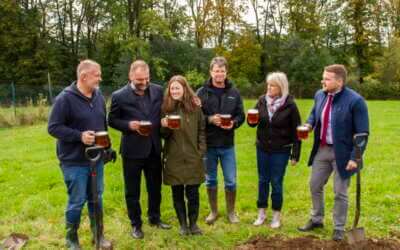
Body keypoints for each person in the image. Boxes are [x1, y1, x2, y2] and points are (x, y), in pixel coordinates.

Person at [298, 64, 369, 241]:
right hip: (322, 149)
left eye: (327, 79)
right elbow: (314, 115)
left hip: (343, 154)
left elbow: (362, 133)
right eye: (323, 77)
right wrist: (308, 125)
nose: (323, 81)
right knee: (314, 185)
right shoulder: (320, 95)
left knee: (340, 192)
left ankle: (339, 227)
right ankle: (316, 219)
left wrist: (355, 157)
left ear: (339, 81)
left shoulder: (355, 101)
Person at [48, 59, 111, 250]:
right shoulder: (64, 99)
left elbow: (103, 123)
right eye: (97, 75)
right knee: (76, 201)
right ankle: (71, 239)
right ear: (84, 76)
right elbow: (53, 128)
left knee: (97, 198)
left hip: (96, 159)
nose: (100, 78)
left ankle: (98, 236)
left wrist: (107, 147)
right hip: (74, 161)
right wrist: (79, 136)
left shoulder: (98, 96)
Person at [108, 60, 171, 239]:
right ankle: (136, 225)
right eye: (139, 80)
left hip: (153, 148)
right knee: (132, 191)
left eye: (146, 79)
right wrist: (129, 125)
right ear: (130, 76)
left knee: (155, 188)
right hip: (132, 151)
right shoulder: (119, 96)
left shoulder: (158, 90)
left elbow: (170, 105)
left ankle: (155, 218)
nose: (143, 83)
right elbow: (111, 120)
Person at [248, 72, 301, 229]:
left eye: (272, 85)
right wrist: (250, 119)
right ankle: (261, 213)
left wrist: (295, 154)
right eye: (268, 85)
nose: (268, 88)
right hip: (262, 148)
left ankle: (276, 215)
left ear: (281, 87)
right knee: (263, 180)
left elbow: (297, 131)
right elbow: (252, 123)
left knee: (276, 182)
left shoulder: (290, 105)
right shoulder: (261, 101)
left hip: (281, 150)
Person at [197, 56, 245, 224]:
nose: (219, 74)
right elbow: (196, 116)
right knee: (210, 179)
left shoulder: (234, 92)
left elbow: (241, 115)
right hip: (208, 144)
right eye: (216, 71)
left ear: (226, 72)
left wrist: (233, 123)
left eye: (222, 71)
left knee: (231, 180)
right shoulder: (201, 92)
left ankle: (231, 212)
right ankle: (214, 211)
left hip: (227, 144)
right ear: (211, 72)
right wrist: (210, 119)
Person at [160, 75, 206, 236]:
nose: (174, 91)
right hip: (174, 157)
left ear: (185, 89)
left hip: (194, 157)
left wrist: (201, 151)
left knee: (193, 193)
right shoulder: (165, 108)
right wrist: (164, 126)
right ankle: (183, 225)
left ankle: (193, 224)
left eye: (177, 88)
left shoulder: (195, 107)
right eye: (172, 88)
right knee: (177, 192)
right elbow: (163, 135)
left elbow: (201, 130)